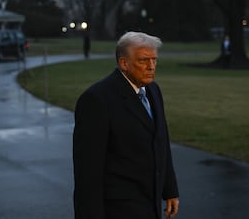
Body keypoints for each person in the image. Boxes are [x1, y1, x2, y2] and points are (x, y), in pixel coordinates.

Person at [73, 31, 179, 219]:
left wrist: (169, 189)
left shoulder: (153, 90)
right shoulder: (97, 100)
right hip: (118, 211)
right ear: (124, 63)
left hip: (151, 205)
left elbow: (161, 140)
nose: (151, 67)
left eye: (154, 60)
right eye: (143, 60)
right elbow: (88, 173)